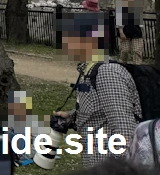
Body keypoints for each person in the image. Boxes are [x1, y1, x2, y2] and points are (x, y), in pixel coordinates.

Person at [54, 11, 142, 169]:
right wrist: (71, 117)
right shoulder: (88, 72)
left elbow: (126, 131)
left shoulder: (107, 73)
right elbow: (98, 110)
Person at [116, 0, 145, 65]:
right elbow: (119, 23)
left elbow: (141, 24)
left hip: (136, 32)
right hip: (125, 32)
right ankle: (122, 65)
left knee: (137, 51)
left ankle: (137, 67)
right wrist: (121, 32)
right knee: (124, 51)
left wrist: (143, 34)